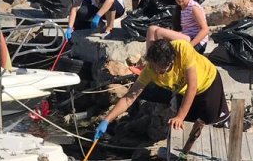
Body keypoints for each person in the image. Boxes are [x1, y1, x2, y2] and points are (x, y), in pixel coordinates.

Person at [95, 35, 229, 141]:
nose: (155, 71)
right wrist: (107, 119)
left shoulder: (182, 49)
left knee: (213, 123)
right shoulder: (150, 70)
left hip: (208, 83)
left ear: (170, 62)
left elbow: (192, 87)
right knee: (188, 130)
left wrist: (180, 116)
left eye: (160, 69)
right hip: (183, 91)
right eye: (153, 66)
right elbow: (129, 98)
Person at [144, 0, 208, 52]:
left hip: (196, 43)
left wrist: (190, 46)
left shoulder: (193, 8)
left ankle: (162, 60)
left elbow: (205, 30)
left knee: (159, 32)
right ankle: (149, 59)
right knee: (151, 29)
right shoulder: (180, 8)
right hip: (187, 37)